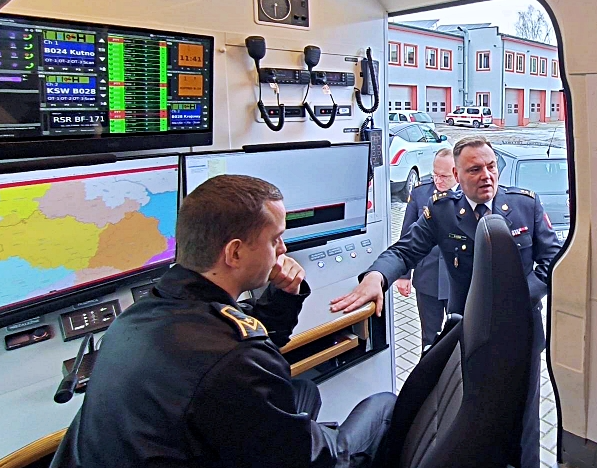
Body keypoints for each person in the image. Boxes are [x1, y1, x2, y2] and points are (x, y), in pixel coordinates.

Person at [54, 175, 396, 468]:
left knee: (303, 391)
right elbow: (309, 458)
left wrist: (286, 293)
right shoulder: (235, 357)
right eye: (274, 239)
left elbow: (242, 342)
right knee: (383, 407)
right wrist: (324, 439)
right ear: (234, 253)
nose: (283, 249)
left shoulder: (143, 313)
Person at [331, 136, 561, 468]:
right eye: (475, 169)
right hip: (468, 333)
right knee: (470, 417)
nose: (486, 176)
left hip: (520, 333)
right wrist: (376, 277)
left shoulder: (525, 204)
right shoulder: (443, 211)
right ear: (456, 174)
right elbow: (405, 250)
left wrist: (513, 298)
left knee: (524, 423)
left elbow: (552, 261)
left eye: (491, 167)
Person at [393, 148, 455, 349]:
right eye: (435, 174)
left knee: (460, 337)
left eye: (444, 176)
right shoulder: (420, 193)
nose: (438, 181)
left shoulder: (470, 195)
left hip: (458, 280)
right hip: (428, 277)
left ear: (457, 172)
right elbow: (407, 235)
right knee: (429, 338)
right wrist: (404, 275)